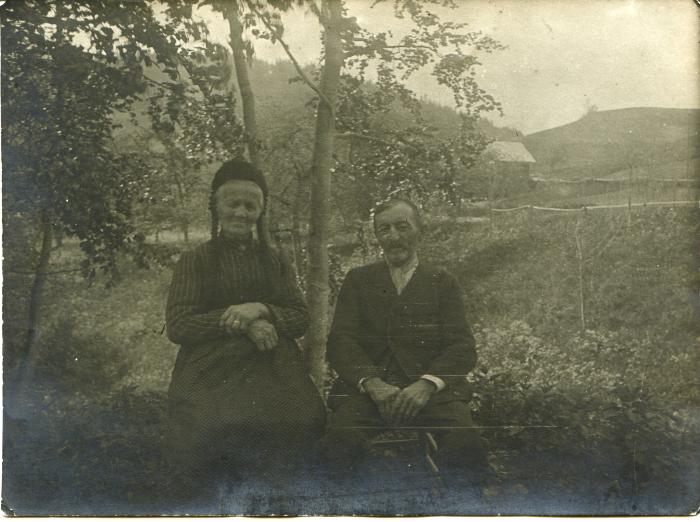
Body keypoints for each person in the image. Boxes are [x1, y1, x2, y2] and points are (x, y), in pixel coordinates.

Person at [164, 158, 325, 503]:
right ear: (216, 206)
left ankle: (278, 502)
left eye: (250, 206)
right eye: (232, 203)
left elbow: (300, 317)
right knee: (207, 427)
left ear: (261, 211)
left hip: (272, 367)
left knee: (303, 418)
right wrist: (243, 324)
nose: (241, 212)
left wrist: (262, 309)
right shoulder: (196, 260)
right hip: (211, 369)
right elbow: (178, 324)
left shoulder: (275, 260)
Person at [323, 198, 490, 489]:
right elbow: (341, 341)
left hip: (431, 394)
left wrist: (426, 385)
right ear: (377, 237)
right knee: (337, 443)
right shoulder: (358, 280)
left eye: (402, 227)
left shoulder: (442, 281)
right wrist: (373, 384)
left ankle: (462, 506)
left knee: (466, 444)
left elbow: (462, 347)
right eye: (384, 229)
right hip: (370, 393)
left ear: (420, 231)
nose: (394, 237)